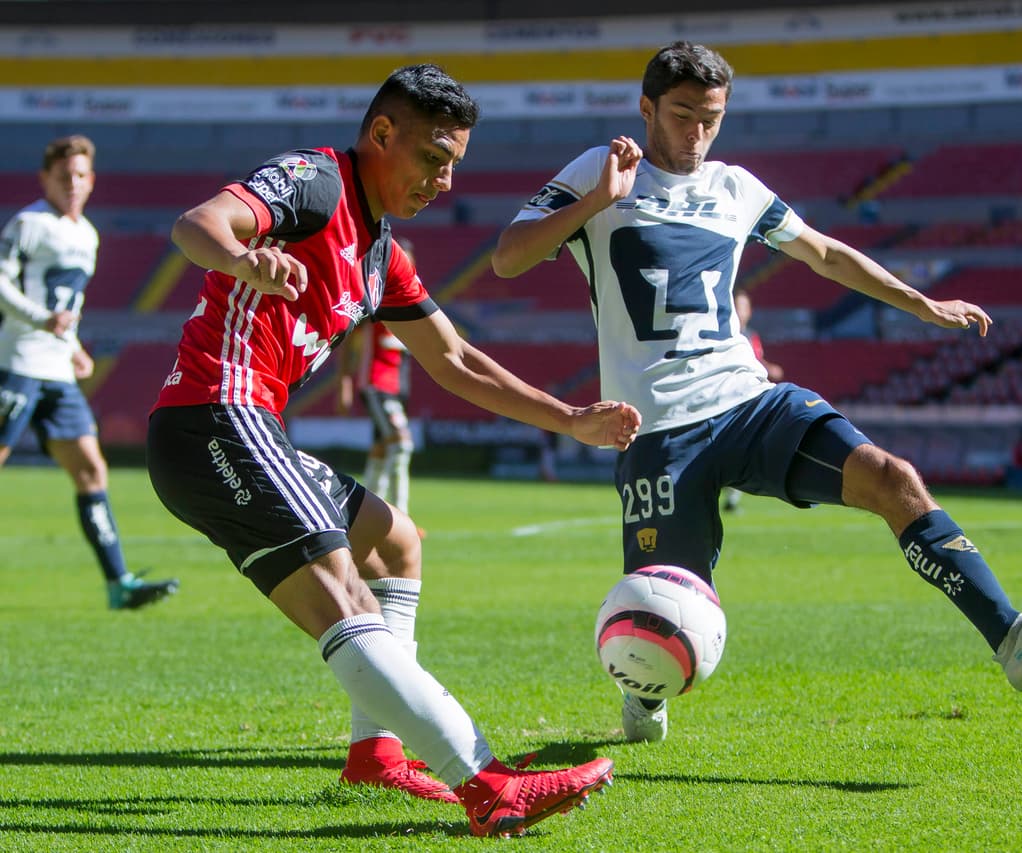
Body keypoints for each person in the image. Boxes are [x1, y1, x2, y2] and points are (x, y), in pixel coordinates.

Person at [492, 41, 1022, 743]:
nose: (697, 132)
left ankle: (1014, 639)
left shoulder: (737, 188)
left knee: (891, 476)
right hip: (656, 431)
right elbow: (507, 258)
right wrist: (600, 201)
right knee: (657, 610)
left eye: (712, 117)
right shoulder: (600, 173)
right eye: (682, 114)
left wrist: (920, 303)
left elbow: (822, 251)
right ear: (646, 108)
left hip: (748, 402)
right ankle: (644, 694)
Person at [146, 65, 639, 837]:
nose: (443, 180)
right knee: (344, 594)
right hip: (215, 414)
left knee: (398, 542)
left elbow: (457, 362)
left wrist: (569, 418)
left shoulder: (382, 256)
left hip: (245, 425)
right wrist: (241, 258)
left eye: (455, 165)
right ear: (382, 135)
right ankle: (486, 780)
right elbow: (196, 223)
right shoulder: (315, 181)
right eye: (433, 157)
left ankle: (375, 752)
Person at [0, 134, 178, 610]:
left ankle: (119, 583)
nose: (73, 185)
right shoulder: (29, 223)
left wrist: (72, 346)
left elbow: (64, 306)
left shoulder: (87, 235)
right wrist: (43, 324)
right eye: (64, 177)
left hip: (56, 370)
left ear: (92, 180)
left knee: (91, 470)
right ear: (46, 179)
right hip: (15, 365)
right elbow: (2, 283)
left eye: (80, 176)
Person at [338, 237, 418, 520]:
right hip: (375, 383)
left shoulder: (412, 296)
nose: (404, 264)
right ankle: (401, 516)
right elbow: (348, 339)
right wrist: (345, 383)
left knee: (382, 448)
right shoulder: (373, 298)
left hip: (398, 385)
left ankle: (363, 515)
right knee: (402, 443)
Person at [722, 289, 782, 512]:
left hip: (743, 399)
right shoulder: (723, 333)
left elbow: (756, 360)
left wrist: (769, 367)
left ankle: (732, 497)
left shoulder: (750, 336)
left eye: (743, 307)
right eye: (737, 306)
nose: (740, 312)